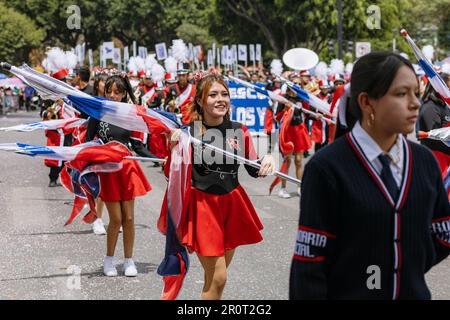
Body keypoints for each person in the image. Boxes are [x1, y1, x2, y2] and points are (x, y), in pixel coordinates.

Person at [289, 52, 450, 300]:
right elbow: (309, 264)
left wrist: (403, 261)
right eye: (401, 94)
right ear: (366, 102)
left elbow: (443, 231)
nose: (415, 103)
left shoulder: (424, 162)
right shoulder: (327, 168)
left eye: (416, 93)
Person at [159, 72, 274, 300]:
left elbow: (253, 167)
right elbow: (170, 174)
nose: (220, 99)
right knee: (219, 277)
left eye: (224, 94)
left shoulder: (238, 130)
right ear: (200, 101)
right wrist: (173, 148)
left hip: (232, 205)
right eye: (213, 95)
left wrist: (267, 160)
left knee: (215, 279)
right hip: (203, 208)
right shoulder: (188, 133)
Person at [86, 74, 155, 277]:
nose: (113, 95)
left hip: (127, 169)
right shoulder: (98, 115)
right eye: (109, 91)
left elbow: (137, 144)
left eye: (118, 92)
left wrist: (158, 157)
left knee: (130, 218)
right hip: (108, 170)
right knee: (115, 219)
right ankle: (109, 260)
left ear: (125, 94)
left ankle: (128, 260)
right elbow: (89, 141)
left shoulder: (130, 115)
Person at [275, 74, 312, 198]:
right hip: (287, 132)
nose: (297, 85)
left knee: (298, 161)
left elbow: (309, 113)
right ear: (290, 84)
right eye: (295, 83)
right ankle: (282, 188)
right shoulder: (283, 98)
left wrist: (317, 116)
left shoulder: (302, 99)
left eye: (300, 84)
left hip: (299, 131)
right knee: (287, 160)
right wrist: (285, 109)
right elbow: (276, 117)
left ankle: (300, 187)